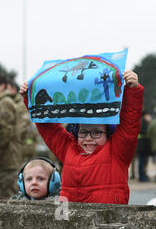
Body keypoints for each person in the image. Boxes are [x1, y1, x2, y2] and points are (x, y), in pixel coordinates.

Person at [19, 70, 144, 204]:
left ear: (107, 134)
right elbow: (48, 128)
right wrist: (30, 98)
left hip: (108, 223)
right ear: (76, 133)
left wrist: (132, 90)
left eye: (96, 133)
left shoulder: (118, 152)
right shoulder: (68, 150)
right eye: (83, 132)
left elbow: (129, 124)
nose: (89, 138)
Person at [0, 73, 20, 200]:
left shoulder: (5, 102)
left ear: (2, 86)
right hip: (5, 158)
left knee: (8, 198)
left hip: (7, 158)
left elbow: (5, 131)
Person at [136, 111, 152, 182]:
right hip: (142, 146)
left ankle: (143, 175)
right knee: (142, 162)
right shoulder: (143, 122)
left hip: (143, 145)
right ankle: (141, 176)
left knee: (143, 161)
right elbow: (145, 132)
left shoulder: (143, 122)